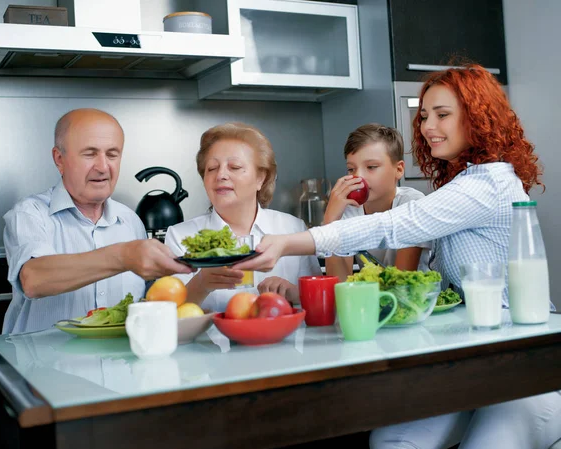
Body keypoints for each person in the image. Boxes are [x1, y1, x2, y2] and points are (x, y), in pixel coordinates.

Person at [235, 65, 561, 448]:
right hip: (473, 362)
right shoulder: (465, 181)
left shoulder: (487, 184)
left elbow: (397, 224)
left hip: (523, 367)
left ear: (476, 117)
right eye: (423, 115)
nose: (426, 126)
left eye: (443, 114)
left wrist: (289, 242)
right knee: (393, 442)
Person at [2, 108, 192, 334]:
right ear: (59, 159)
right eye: (90, 154)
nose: (103, 167)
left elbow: (155, 300)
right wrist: (123, 256)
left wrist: (207, 279)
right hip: (39, 366)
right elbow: (34, 279)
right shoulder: (30, 214)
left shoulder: (130, 220)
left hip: (121, 365)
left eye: (112, 154)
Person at [164, 122, 322, 311]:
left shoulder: (293, 228)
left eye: (235, 167)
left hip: (285, 339)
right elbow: (167, 314)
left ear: (260, 178)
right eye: (212, 168)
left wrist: (295, 294)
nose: (221, 175)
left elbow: (319, 303)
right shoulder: (180, 236)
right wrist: (202, 283)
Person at [324, 123, 430, 281]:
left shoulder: (412, 204)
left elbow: (400, 284)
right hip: (375, 300)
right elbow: (339, 283)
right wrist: (330, 221)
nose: (359, 177)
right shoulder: (350, 210)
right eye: (351, 169)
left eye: (371, 167)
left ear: (399, 169)